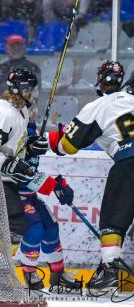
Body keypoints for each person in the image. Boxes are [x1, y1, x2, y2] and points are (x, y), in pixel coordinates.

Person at [47, 60, 134, 291]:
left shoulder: (96, 106)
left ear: (100, 82)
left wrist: (55, 141)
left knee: (112, 221)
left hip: (127, 164)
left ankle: (109, 271)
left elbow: (68, 146)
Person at [0, 69, 78, 289]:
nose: (35, 97)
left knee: (49, 226)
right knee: (26, 228)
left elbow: (18, 155)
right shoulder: (5, 112)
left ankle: (57, 274)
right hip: (8, 186)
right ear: (23, 90)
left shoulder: (21, 116)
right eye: (31, 91)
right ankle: (22, 274)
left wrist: (30, 146)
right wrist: (52, 185)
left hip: (15, 186)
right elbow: (11, 161)